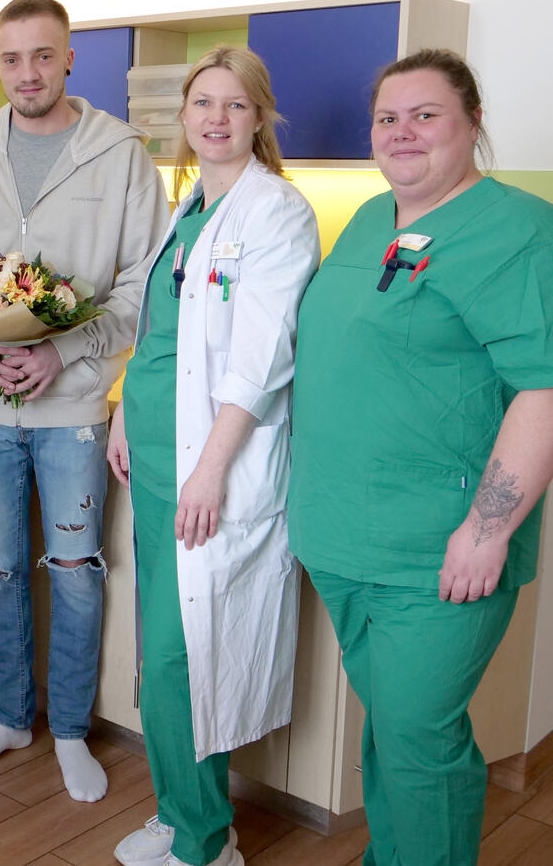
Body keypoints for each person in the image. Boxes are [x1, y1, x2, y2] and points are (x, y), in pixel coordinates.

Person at [288, 49, 553, 866]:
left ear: (473, 122)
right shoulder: (374, 216)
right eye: (387, 118)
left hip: (436, 549)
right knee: (395, 731)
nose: (402, 132)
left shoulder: (518, 230)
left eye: (425, 114)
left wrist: (487, 529)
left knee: (420, 739)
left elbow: (543, 388)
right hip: (343, 535)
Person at [0, 0, 168, 802]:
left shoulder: (122, 154)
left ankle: (69, 728)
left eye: (43, 55)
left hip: (73, 408)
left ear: (70, 58)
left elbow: (145, 284)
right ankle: (10, 716)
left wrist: (63, 350)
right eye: (12, 58)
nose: (27, 73)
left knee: (74, 569)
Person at [106, 47, 319, 866]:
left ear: (259, 116)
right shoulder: (189, 206)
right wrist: (125, 412)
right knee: (161, 655)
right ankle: (177, 811)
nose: (216, 118)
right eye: (203, 103)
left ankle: (204, 839)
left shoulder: (276, 212)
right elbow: (162, 334)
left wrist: (209, 468)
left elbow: (259, 360)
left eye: (234, 104)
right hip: (155, 458)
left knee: (181, 654)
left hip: (209, 469)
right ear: (185, 116)